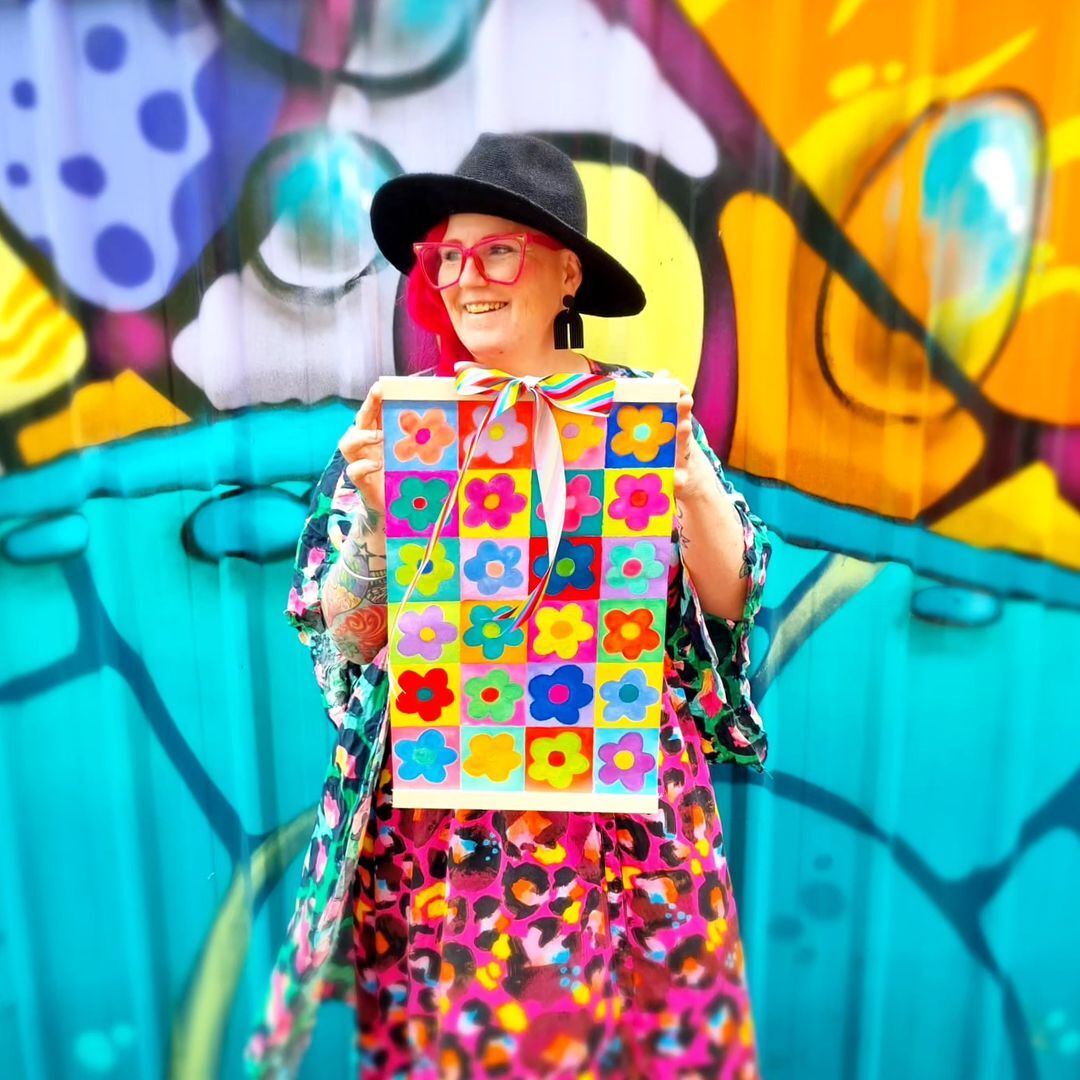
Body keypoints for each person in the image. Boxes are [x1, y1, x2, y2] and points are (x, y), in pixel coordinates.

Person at [246, 133, 772, 1079]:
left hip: (622, 821)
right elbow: (357, 646)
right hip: (457, 830)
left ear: (565, 274)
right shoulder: (407, 426)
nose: (466, 277)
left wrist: (687, 473)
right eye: (448, 256)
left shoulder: (641, 415)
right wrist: (373, 524)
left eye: (497, 250)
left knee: (648, 1055)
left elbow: (730, 601)